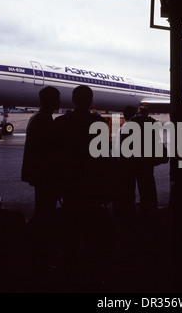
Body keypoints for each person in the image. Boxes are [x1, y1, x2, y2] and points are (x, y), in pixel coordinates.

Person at [54, 85, 114, 287]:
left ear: (73, 99)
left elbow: (55, 158)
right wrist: (107, 188)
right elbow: (104, 158)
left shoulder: (61, 123)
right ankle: (95, 276)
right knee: (93, 234)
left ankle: (69, 274)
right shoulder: (99, 124)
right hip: (92, 188)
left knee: (69, 233)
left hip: (70, 187)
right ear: (90, 101)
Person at [21, 86, 61, 279]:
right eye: (58, 98)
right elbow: (51, 152)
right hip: (45, 176)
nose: (60, 101)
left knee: (43, 210)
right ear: (51, 101)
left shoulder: (37, 118)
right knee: (45, 213)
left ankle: (34, 252)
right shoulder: (44, 120)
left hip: (38, 175)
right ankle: (38, 258)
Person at [128, 105, 158, 217]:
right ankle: (150, 204)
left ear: (139, 112)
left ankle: (134, 206)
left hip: (135, 156)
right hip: (148, 156)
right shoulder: (153, 122)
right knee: (148, 181)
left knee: (135, 181)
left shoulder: (133, 121)